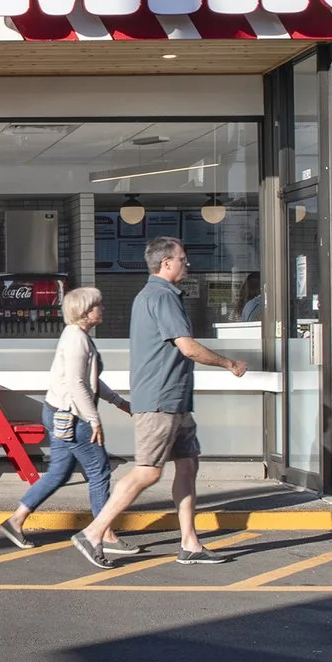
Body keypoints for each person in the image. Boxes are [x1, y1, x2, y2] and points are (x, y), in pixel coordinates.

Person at [71, 236, 248, 568]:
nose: (187, 263)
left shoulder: (153, 295)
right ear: (166, 263)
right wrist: (230, 363)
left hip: (175, 399)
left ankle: (190, 544)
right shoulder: (161, 296)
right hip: (160, 399)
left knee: (188, 465)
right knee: (147, 472)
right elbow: (188, 347)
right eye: (183, 258)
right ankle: (93, 533)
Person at [0, 287, 135, 554]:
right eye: (98, 305)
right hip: (73, 416)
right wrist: (94, 420)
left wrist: (117, 401)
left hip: (59, 412)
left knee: (59, 472)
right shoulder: (77, 340)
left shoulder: (76, 336)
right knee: (99, 471)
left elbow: (89, 379)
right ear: (86, 312)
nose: (102, 309)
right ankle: (104, 533)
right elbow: (76, 384)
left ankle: (16, 520)